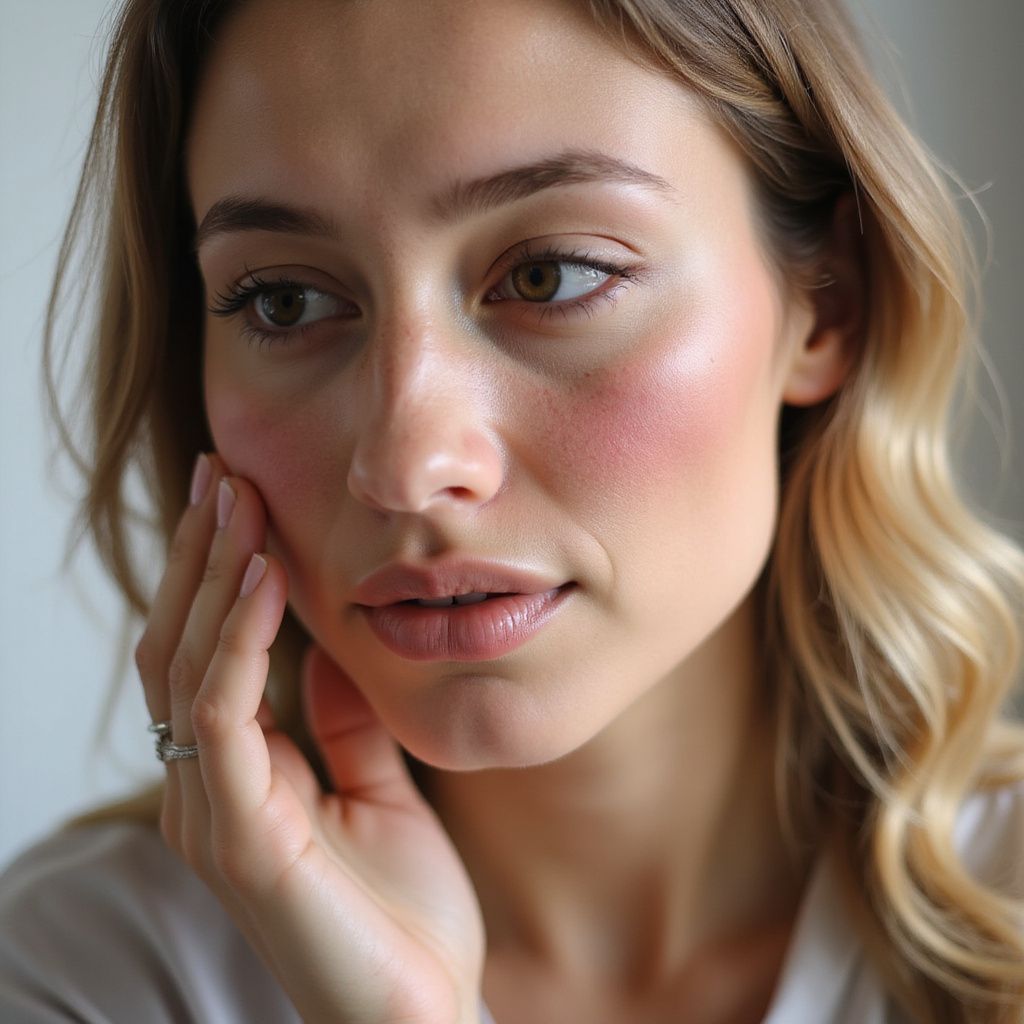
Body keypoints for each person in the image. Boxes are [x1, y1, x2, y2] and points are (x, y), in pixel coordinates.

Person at [1, 0, 1022, 1021]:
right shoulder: (88, 976)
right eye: (285, 301)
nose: (406, 465)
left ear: (827, 302)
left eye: (550, 275)